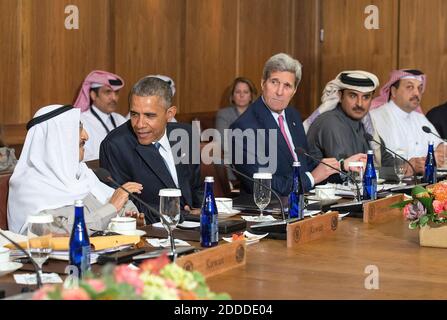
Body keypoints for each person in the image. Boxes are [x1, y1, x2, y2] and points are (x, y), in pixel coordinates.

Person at [229, 53, 364, 196]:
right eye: (274, 82)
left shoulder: (292, 115)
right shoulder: (242, 128)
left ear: (294, 91)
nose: (280, 92)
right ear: (263, 83)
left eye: (287, 85)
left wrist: (342, 166)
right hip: (267, 212)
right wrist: (312, 178)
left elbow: (305, 164)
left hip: (301, 204)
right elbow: (264, 187)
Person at [7, 104, 143, 235]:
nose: (86, 136)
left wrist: (130, 217)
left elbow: (114, 203)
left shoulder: (81, 173)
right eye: (78, 129)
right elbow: (55, 233)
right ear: (55, 138)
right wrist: (111, 209)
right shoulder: (30, 186)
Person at [99, 77, 202, 223]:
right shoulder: (115, 145)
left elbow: (197, 186)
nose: (140, 124)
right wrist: (184, 216)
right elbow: (126, 205)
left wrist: (204, 210)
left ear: (170, 114)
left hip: (194, 225)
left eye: (149, 115)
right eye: (134, 114)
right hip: (152, 229)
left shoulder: (185, 134)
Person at [305, 70, 396, 179]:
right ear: (340, 95)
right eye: (353, 96)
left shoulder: (365, 123)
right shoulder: (330, 122)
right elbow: (353, 173)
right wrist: (395, 172)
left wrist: (407, 167)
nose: (359, 104)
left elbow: (387, 160)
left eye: (366, 97)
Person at [370, 69, 445, 168]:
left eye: (419, 88)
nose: (416, 93)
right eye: (410, 87)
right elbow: (383, 160)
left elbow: (441, 145)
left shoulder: (420, 118)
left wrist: (439, 152)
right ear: (394, 91)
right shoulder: (376, 117)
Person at [74, 70, 127, 161]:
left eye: (116, 93)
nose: (114, 98)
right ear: (93, 95)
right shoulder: (81, 121)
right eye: (108, 92)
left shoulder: (121, 120)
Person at [215, 77, 257, 183]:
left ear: (251, 96)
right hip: (232, 165)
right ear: (232, 96)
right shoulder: (224, 114)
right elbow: (223, 143)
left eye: (246, 92)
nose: (242, 95)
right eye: (238, 92)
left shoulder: (259, 114)